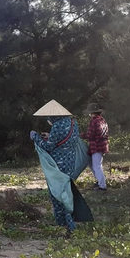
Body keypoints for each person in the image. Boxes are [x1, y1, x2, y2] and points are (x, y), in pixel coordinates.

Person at [30, 100, 92, 236]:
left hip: (57, 164)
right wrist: (49, 136)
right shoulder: (72, 123)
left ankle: (65, 225)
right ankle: (71, 221)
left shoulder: (57, 126)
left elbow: (48, 146)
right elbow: (65, 140)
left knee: (57, 193)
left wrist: (35, 137)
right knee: (66, 190)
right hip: (69, 162)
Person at [80, 103, 109, 191]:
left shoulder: (94, 121)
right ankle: (99, 180)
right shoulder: (102, 120)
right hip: (102, 145)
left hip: (96, 146)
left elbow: (90, 135)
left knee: (97, 166)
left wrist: (81, 135)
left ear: (92, 113)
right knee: (92, 164)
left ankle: (102, 186)